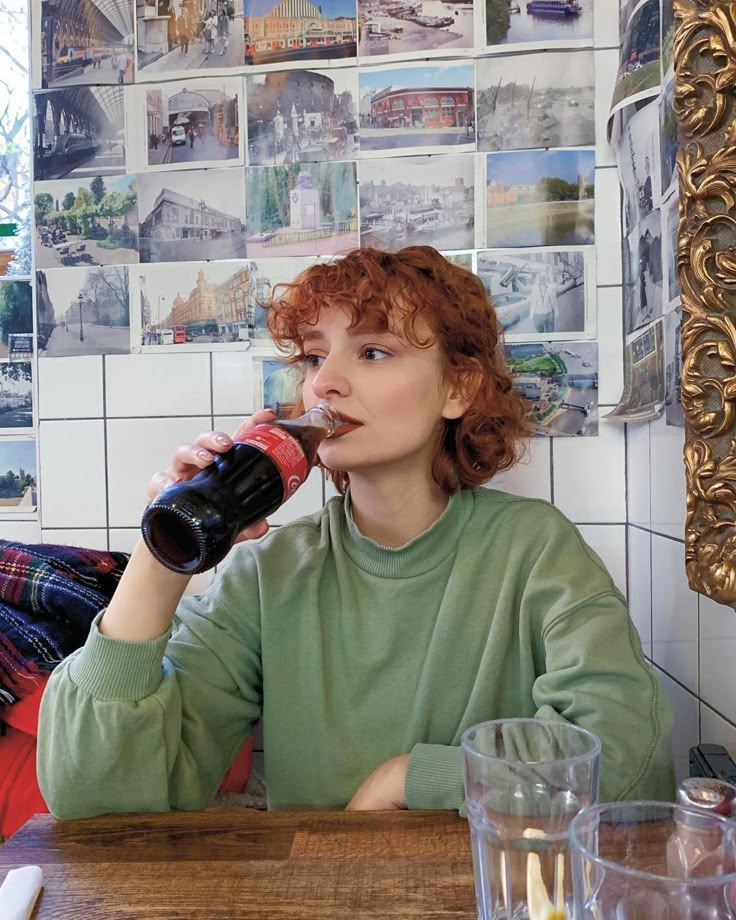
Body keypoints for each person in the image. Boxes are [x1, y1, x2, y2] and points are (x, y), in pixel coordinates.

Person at [37, 246, 674, 819]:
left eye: (373, 351)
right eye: (315, 356)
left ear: (459, 387)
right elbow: (93, 796)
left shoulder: (535, 549)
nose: (323, 382)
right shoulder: (269, 572)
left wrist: (415, 779)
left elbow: (626, 756)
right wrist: (161, 557)